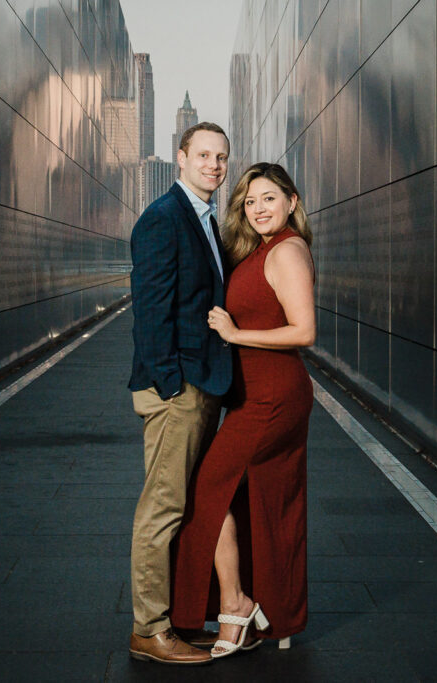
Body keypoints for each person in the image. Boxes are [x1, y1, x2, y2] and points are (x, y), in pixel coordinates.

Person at [171, 162, 315, 658]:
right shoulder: (262, 249)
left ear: (292, 202)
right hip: (256, 394)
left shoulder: (289, 250)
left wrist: (235, 334)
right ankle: (274, 614)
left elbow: (303, 331)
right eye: (250, 202)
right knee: (263, 501)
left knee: (209, 489)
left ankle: (238, 605)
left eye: (268, 199)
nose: (258, 209)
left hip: (274, 396)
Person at [127, 122, 233, 665]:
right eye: (203, 155)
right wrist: (173, 385)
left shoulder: (206, 220)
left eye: (221, 157)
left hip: (200, 384)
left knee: (183, 502)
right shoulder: (163, 218)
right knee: (163, 508)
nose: (213, 165)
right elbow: (150, 312)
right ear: (181, 158)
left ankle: (171, 619)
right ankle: (149, 628)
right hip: (177, 390)